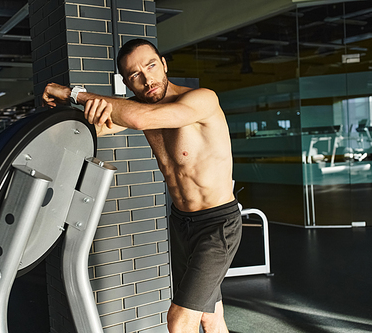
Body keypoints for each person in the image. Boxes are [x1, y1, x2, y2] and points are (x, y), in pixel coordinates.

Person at [42, 38, 242, 333]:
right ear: (126, 83)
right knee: (210, 317)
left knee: (178, 319)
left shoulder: (201, 100)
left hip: (217, 225)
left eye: (151, 66)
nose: (147, 79)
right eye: (135, 75)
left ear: (163, 64)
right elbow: (89, 130)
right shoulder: (137, 106)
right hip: (182, 224)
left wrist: (72, 93)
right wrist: (59, 114)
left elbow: (138, 119)